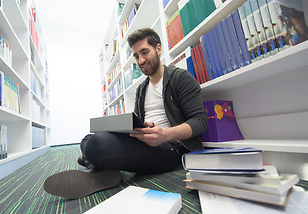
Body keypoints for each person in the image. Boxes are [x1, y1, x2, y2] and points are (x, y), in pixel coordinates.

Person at [43, 28, 207, 199]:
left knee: (95, 144)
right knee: (88, 139)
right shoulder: (142, 89)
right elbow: (137, 121)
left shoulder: (180, 78)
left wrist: (164, 135)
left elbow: (200, 121)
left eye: (144, 52)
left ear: (158, 49)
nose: (141, 60)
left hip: (172, 148)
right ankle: (101, 167)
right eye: (136, 56)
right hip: (145, 141)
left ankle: (96, 166)